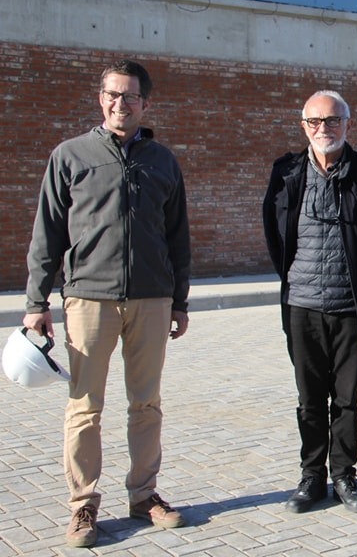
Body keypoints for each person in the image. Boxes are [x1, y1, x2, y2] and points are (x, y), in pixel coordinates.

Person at [23, 59, 191, 548]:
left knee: (146, 404)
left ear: (145, 103)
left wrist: (179, 300)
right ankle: (84, 507)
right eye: (113, 95)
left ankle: (144, 496)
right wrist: (37, 302)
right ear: (101, 99)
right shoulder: (70, 156)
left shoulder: (162, 160)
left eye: (131, 96)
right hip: (88, 300)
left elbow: (177, 236)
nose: (121, 104)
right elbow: (47, 234)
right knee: (84, 409)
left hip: (152, 300)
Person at [263, 90, 357, 515]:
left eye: (333, 120)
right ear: (304, 125)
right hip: (302, 304)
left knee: (345, 398)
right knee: (309, 398)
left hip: (351, 307)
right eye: (316, 121)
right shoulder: (285, 171)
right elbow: (274, 232)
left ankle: (343, 473)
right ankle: (312, 476)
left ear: (348, 124)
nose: (325, 128)